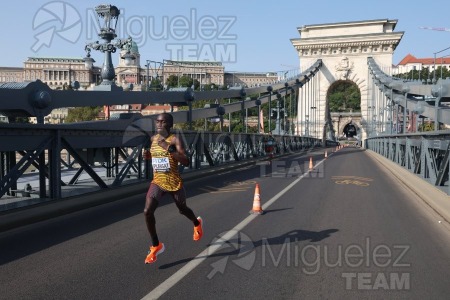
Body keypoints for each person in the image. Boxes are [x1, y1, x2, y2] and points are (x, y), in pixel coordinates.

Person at [142, 113, 203, 264]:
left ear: (169, 124)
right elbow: (156, 156)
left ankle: (196, 223)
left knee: (182, 209)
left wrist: (169, 149)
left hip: (174, 182)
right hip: (158, 182)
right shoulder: (153, 139)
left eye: (163, 122)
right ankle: (156, 245)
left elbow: (186, 161)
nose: (159, 124)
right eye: (157, 121)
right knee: (147, 211)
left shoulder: (175, 139)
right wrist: (149, 156)